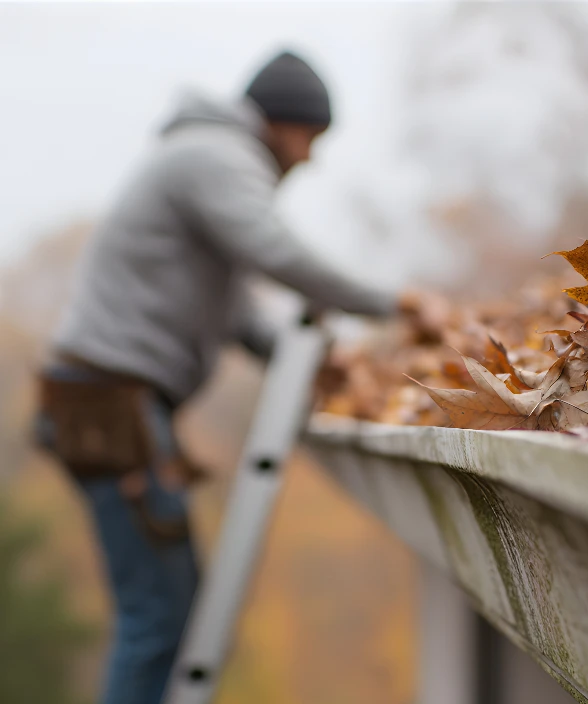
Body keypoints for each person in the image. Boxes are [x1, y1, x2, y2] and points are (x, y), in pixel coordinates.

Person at [34, 50, 399, 704]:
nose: (308, 158)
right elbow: (277, 251)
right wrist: (393, 302)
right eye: (309, 139)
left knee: (171, 615)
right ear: (280, 122)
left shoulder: (206, 160)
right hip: (107, 403)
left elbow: (236, 316)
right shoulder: (215, 156)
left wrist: (311, 356)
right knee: (159, 620)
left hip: (112, 399)